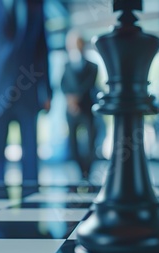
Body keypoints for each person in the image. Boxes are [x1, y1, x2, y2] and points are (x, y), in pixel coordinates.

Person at [0, 0, 52, 185]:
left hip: (29, 88)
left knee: (31, 160)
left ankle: (32, 208)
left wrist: (47, 91)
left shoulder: (36, 3)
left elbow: (43, 48)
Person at [60, 31, 98, 179]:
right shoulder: (66, 65)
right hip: (71, 110)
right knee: (73, 143)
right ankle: (80, 171)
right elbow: (62, 84)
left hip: (87, 108)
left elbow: (89, 84)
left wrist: (76, 98)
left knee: (90, 142)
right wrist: (70, 100)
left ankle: (87, 170)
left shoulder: (93, 67)